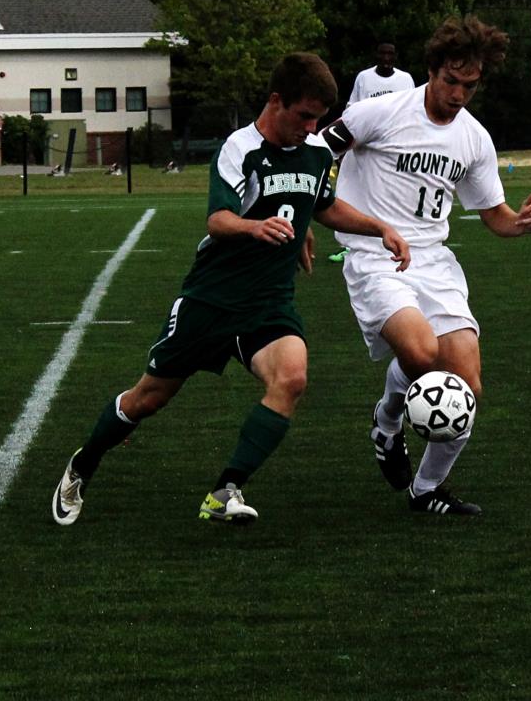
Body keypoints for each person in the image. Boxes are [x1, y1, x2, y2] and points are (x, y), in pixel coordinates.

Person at [52, 53, 410, 526]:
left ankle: (225, 490)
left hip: (268, 302)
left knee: (292, 378)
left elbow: (322, 205)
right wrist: (253, 228)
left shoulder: (318, 152)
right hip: (212, 298)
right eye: (304, 116)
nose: (312, 127)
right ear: (276, 101)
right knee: (148, 398)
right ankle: (84, 463)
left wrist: (377, 227)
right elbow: (218, 219)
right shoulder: (239, 148)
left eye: (319, 119)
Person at [320, 15, 531, 517]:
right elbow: (316, 155)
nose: (460, 93)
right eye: (451, 81)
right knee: (422, 353)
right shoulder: (378, 112)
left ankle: (426, 490)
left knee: (467, 387)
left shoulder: (474, 140)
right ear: (431, 70)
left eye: (470, 84)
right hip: (375, 257)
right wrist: (301, 214)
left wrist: (521, 223)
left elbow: (494, 216)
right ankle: (387, 420)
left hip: (435, 263)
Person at [328, 43, 416, 262]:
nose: (386, 58)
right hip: (365, 145)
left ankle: (400, 239)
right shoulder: (364, 78)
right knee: (356, 193)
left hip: (395, 148)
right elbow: (352, 111)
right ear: (376, 55)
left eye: (390, 54)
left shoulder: (405, 79)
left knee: (393, 195)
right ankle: (350, 245)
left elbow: (412, 111)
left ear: (395, 57)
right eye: (382, 53)